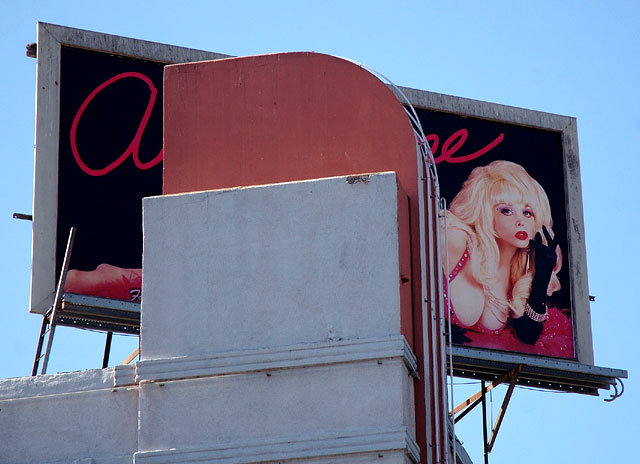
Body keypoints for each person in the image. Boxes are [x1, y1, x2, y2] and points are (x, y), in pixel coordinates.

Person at [444, 160, 573, 357]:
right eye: (507, 210)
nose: (520, 220)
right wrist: (432, 325)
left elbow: (528, 337)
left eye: (527, 212)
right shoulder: (457, 241)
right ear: (485, 212)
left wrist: (542, 275)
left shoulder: (519, 277)